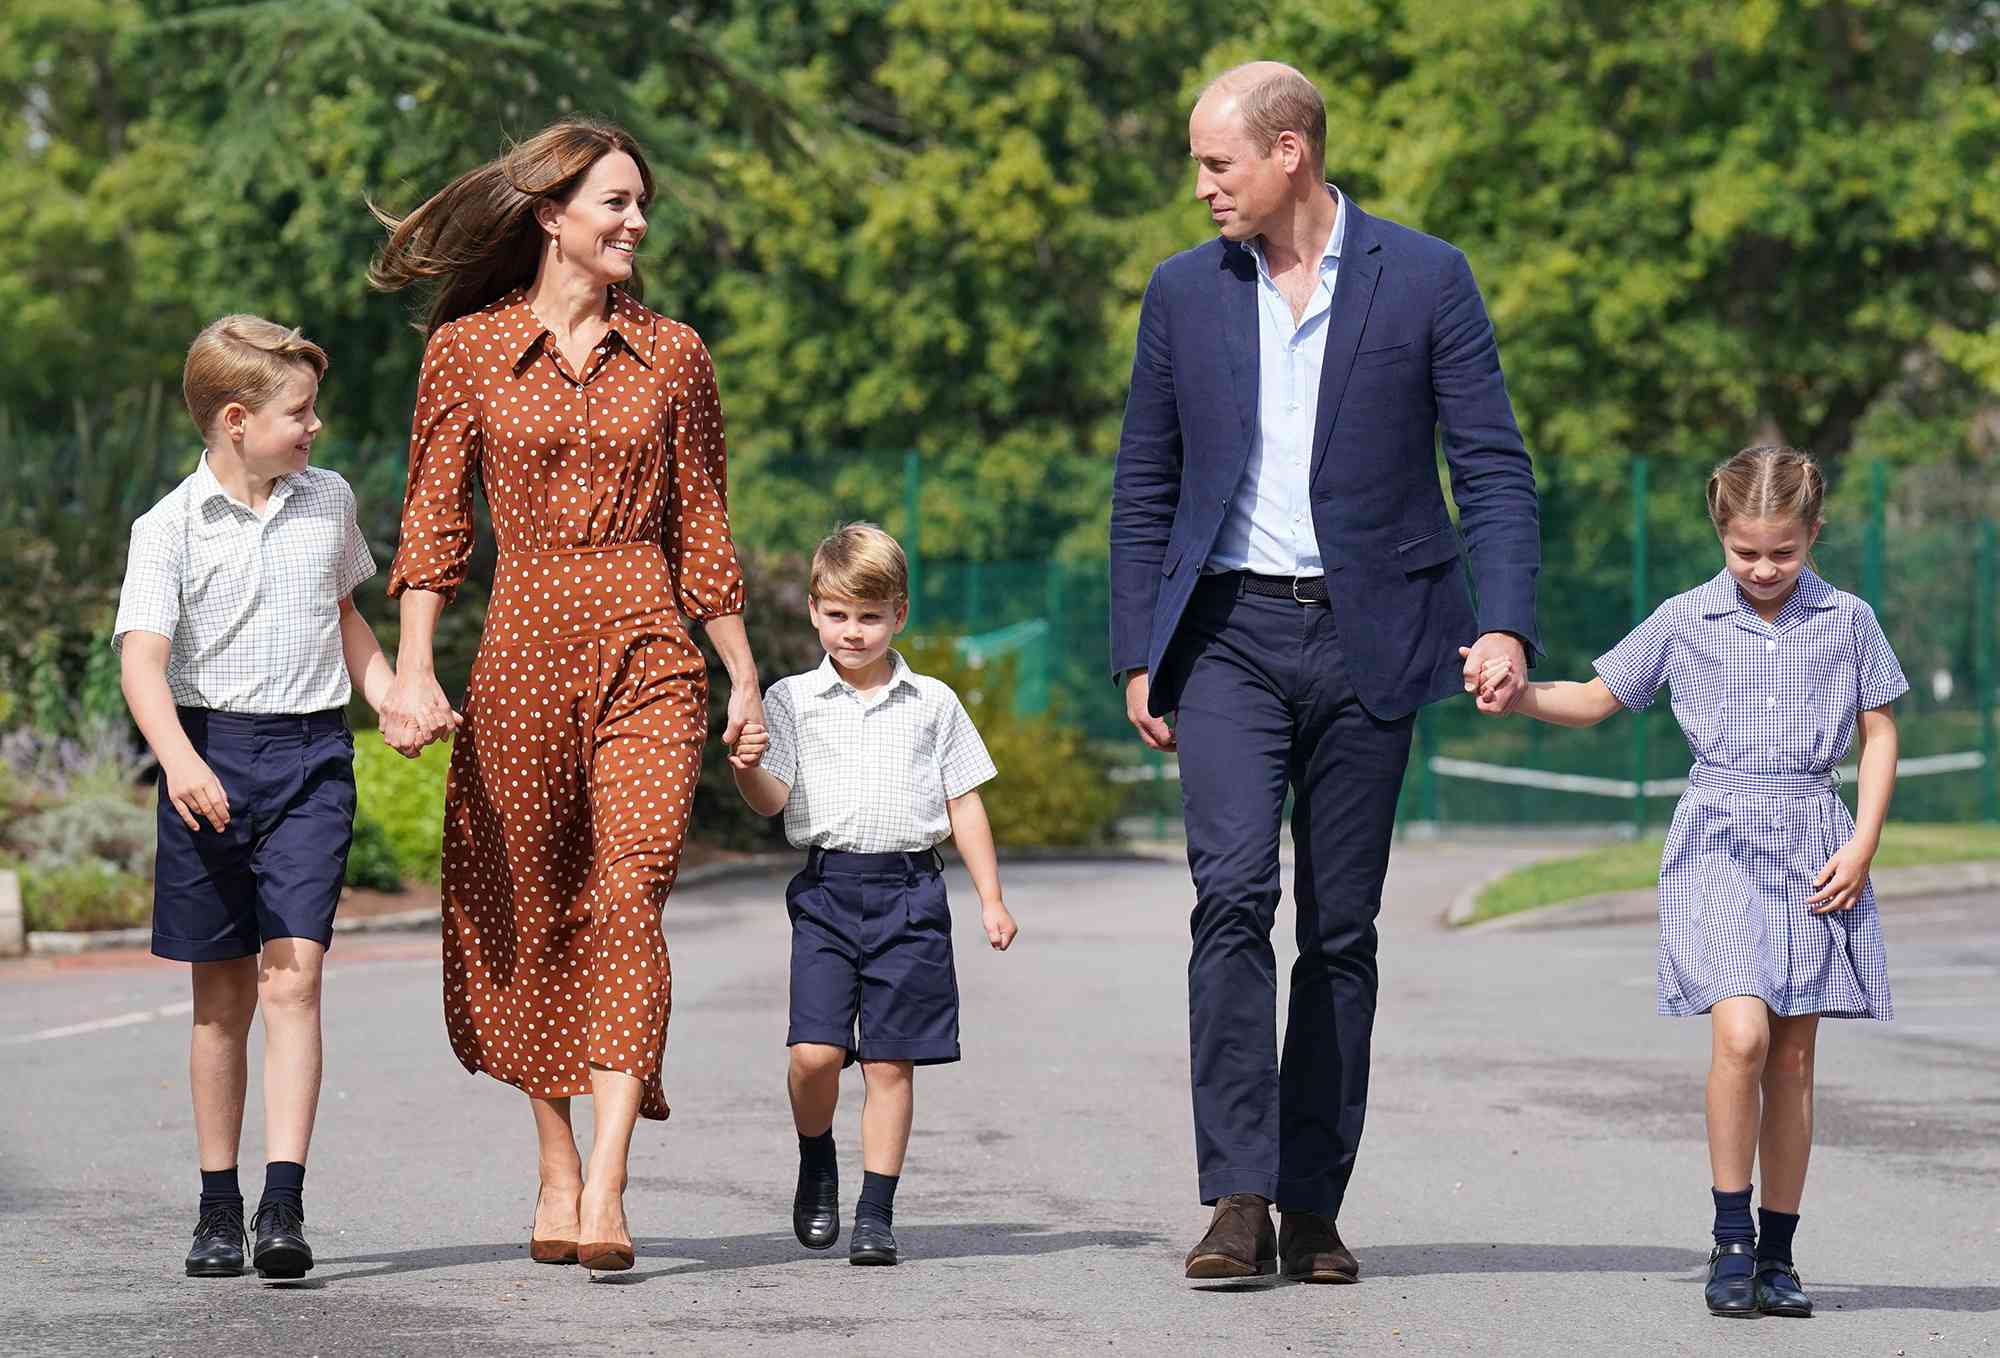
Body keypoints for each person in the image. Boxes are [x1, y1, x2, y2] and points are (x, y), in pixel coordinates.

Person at [1108, 61, 1542, 1283]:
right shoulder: (1181, 294)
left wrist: (1503, 622)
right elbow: (1143, 484)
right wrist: (1141, 646)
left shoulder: (1427, 276)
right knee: (1232, 897)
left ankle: (1313, 1203)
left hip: (1375, 638)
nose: (1200, 186)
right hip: (1229, 638)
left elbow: (1493, 469)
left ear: (1287, 151)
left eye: (1216, 161)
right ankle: (1237, 1196)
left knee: (1339, 928)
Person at [368, 118, 764, 1272]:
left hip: (650, 646)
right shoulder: (468, 353)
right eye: (614, 203)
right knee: (529, 903)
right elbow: (433, 527)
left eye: (640, 205)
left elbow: (704, 527)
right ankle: (552, 1161)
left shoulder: (676, 352)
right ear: (551, 214)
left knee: (629, 895)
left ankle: (606, 1182)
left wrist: (741, 671)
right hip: (522, 649)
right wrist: (411, 669)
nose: (636, 223)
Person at [1471, 444, 1904, 1320]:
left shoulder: (1849, 619)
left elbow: (1879, 734)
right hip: (1716, 838)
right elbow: (1596, 698)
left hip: (1816, 841)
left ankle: (1779, 1255)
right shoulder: (1685, 618)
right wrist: (1514, 692)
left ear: (1814, 533)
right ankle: (1732, 1237)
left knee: (1792, 1054)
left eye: (1783, 551)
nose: (1764, 568)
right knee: (1740, 1034)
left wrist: (1862, 845)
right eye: (1746, 551)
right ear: (1721, 534)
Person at [114, 315, 393, 1280]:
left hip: (313, 757)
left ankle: (283, 1204)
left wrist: (390, 694)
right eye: (298, 413)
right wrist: (181, 761)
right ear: (237, 420)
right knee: (222, 996)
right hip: (209, 760)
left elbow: (347, 616)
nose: (314, 428)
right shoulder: (168, 529)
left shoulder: (329, 501)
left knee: (297, 974)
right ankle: (217, 1206)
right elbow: (142, 664)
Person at [730, 523, 1018, 1267]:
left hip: (911, 892)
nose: (852, 631)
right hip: (828, 893)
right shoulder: (790, 701)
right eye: (837, 614)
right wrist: (743, 765)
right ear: (812, 611)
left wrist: (990, 897)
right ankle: (816, 1156)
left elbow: (965, 802)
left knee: (891, 1062)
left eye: (869, 616)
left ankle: (876, 1212)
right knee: (815, 1054)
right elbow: (771, 800)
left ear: (900, 615)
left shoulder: (933, 702)